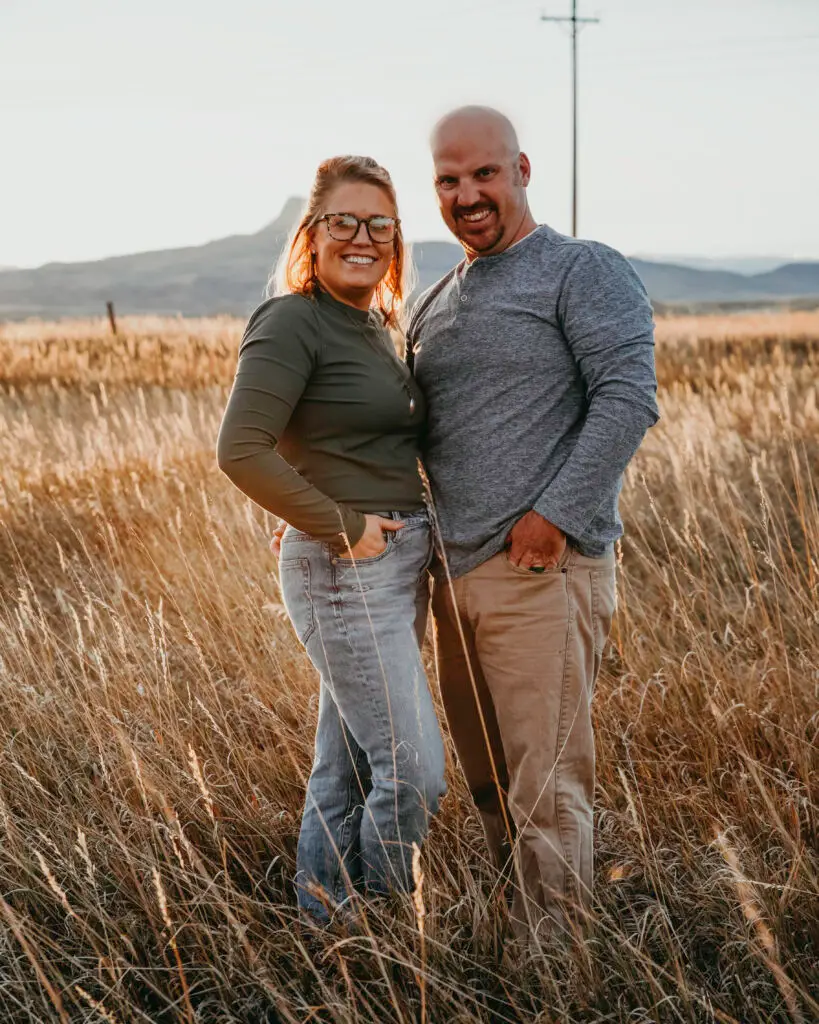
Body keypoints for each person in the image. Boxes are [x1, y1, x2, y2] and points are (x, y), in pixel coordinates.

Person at [406, 106, 660, 940]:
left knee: (546, 787)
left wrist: (551, 518)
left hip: (539, 572)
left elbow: (627, 397)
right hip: (452, 578)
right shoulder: (434, 298)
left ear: (521, 169)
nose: (466, 193)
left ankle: (558, 968)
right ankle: (519, 932)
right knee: (487, 781)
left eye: (483, 173)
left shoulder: (578, 268)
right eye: (448, 179)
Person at [217, 155, 446, 923]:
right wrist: (341, 525)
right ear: (311, 235)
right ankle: (383, 931)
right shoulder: (291, 319)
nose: (362, 236)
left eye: (379, 223)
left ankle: (322, 922)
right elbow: (240, 449)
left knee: (345, 765)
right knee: (413, 773)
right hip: (343, 568)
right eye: (343, 221)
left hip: (393, 561)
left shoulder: (377, 324)